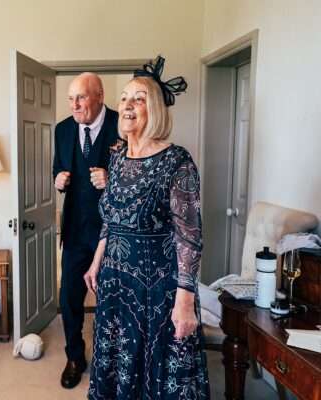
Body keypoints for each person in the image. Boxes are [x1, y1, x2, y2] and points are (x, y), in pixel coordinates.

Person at [84, 56, 211, 399]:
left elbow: (190, 236)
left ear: (154, 108)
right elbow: (111, 218)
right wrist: (97, 261)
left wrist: (184, 301)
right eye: (124, 98)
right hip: (116, 285)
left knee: (159, 374)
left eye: (138, 98)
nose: (127, 105)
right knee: (117, 365)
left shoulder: (176, 161)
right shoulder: (117, 155)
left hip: (158, 288)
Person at [53, 72, 120, 389]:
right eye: (70, 98)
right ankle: (75, 356)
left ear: (99, 95)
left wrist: (112, 180)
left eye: (80, 97)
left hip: (113, 234)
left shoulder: (122, 125)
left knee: (111, 299)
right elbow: (58, 166)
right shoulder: (63, 130)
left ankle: (111, 359)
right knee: (69, 298)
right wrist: (58, 180)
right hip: (76, 231)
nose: (74, 104)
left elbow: (138, 177)